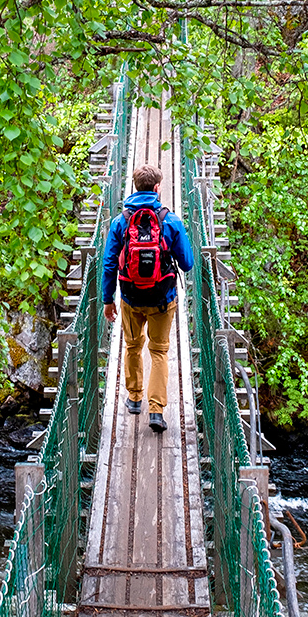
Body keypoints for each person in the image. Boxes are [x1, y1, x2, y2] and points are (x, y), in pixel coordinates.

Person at [103, 163, 196, 433]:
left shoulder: (121, 221)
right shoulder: (171, 220)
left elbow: (109, 264)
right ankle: (156, 410)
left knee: (132, 346)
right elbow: (187, 263)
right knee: (159, 351)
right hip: (162, 299)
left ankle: (134, 398)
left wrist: (108, 299)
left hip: (130, 298)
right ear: (157, 188)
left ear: (134, 187)